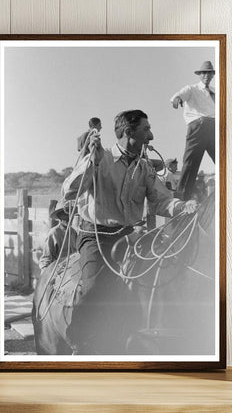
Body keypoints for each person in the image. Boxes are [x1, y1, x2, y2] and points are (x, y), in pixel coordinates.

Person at [62, 109, 197, 354]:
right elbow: (70, 191)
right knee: (93, 287)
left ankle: (141, 336)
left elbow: (160, 201)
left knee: (162, 273)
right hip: (96, 235)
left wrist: (181, 206)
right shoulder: (100, 157)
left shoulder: (144, 168)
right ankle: (79, 342)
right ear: (128, 133)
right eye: (146, 130)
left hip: (129, 234)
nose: (151, 136)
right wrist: (89, 162)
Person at [170, 61, 216, 200]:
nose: (206, 75)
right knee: (190, 163)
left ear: (213, 75)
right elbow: (178, 95)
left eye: (209, 73)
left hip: (214, 127)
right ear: (199, 75)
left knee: (223, 160)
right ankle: (181, 199)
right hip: (198, 127)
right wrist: (176, 100)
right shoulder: (191, 88)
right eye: (203, 73)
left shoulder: (216, 91)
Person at [38, 201, 77, 271]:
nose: (69, 218)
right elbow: (46, 259)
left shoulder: (73, 232)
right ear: (60, 217)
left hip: (72, 269)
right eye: (65, 215)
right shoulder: (54, 233)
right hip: (58, 270)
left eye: (71, 214)